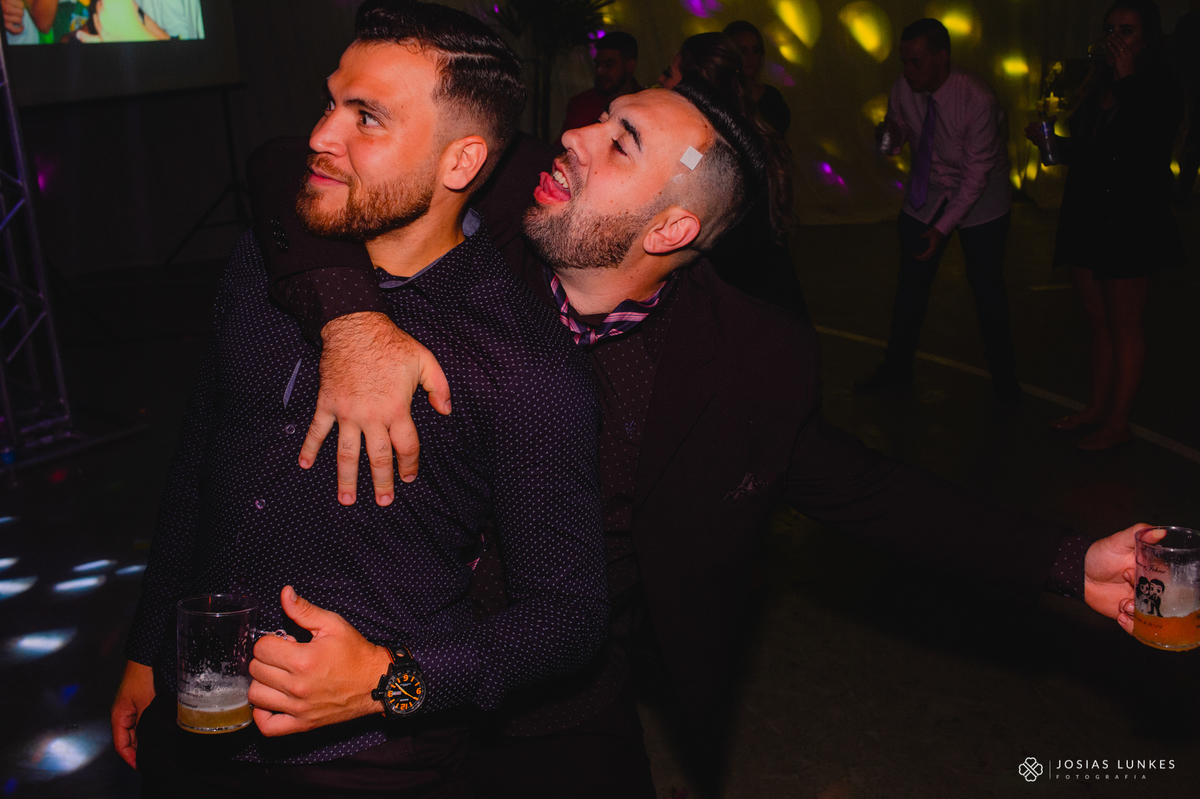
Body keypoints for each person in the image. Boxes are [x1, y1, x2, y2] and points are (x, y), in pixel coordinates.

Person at [246, 68, 1150, 796]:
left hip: (555, 698)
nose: (575, 133)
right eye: (601, 118)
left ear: (673, 226)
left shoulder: (748, 363)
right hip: (355, 661)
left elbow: (869, 490)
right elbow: (287, 161)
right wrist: (350, 318)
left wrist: (1068, 561)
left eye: (620, 140)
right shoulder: (494, 187)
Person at [109, 3, 608, 795]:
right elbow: (201, 459)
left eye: (366, 118)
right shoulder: (261, 262)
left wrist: (389, 681)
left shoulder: (519, 362)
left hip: (360, 761)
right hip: (192, 715)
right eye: (330, 101)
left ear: (459, 161)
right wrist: (148, 647)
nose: (320, 135)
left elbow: (568, 615)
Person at [1027, 0, 1184, 451]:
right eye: (1111, 28)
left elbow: (1147, 142)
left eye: (1127, 31)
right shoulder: (1098, 86)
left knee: (1124, 322)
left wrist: (1128, 76)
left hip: (1132, 218)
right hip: (1090, 215)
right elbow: (1091, 153)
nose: (1116, 38)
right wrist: (1051, 144)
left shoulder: (1159, 85)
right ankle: (1097, 408)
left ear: (1148, 39)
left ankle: (1118, 421)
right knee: (1096, 321)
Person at [855, 18, 1020, 405]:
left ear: (941, 57)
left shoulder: (976, 98)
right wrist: (890, 138)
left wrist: (942, 228)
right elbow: (899, 135)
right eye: (904, 62)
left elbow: (976, 177)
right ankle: (896, 367)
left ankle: (1004, 379)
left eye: (915, 62)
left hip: (983, 195)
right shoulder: (904, 87)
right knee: (911, 282)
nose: (907, 71)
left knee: (987, 287)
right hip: (930, 187)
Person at [661, 31, 806, 316]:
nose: (661, 81)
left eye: (668, 74)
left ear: (693, 83)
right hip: (761, 289)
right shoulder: (738, 128)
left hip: (746, 301)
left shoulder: (704, 145)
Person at [559, 31, 641, 145]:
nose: (600, 71)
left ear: (630, 65)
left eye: (609, 65)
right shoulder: (581, 104)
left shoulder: (645, 104)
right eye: (598, 65)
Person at [722, 20, 790, 136]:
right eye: (743, 51)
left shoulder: (773, 98)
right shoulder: (720, 97)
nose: (750, 57)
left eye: (755, 50)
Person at [1172, 0, 1200, 203]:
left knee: (1190, 142)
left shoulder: (1188, 22)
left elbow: (1175, 56)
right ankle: (1183, 190)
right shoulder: (1188, 22)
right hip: (1188, 91)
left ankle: (1182, 190)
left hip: (1187, 90)